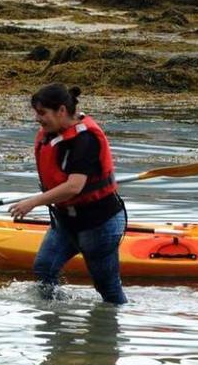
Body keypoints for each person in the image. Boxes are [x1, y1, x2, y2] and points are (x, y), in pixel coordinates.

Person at [8, 84, 127, 304]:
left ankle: (108, 335)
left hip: (99, 223)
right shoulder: (53, 135)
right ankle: (56, 326)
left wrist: (32, 202)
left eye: (42, 113)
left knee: (108, 290)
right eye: (36, 112)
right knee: (44, 270)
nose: (37, 119)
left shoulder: (85, 140)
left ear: (61, 111)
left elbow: (74, 186)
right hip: (66, 221)